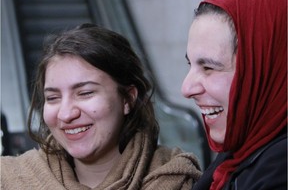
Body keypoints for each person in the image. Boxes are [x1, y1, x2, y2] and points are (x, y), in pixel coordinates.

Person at [1, 24, 201, 189]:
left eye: (85, 93)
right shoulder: (9, 179)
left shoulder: (175, 179)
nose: (66, 113)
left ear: (128, 99)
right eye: (53, 98)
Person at [181, 0, 287, 190]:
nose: (186, 88)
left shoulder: (279, 171)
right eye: (190, 64)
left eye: (209, 67)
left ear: (269, 67)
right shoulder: (242, 150)